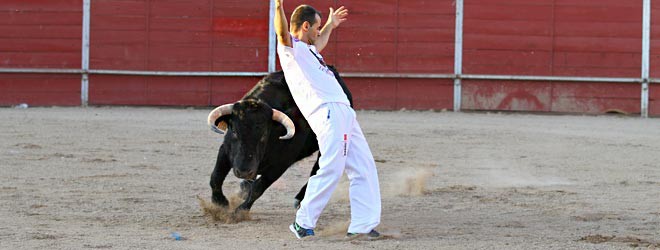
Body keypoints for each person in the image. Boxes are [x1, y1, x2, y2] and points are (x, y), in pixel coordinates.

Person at [274, 0, 382, 239]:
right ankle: (303, 223)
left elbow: (319, 43)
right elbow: (282, 33)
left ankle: (362, 225)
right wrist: (278, 6)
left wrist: (331, 25)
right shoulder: (290, 49)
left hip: (342, 111)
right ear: (304, 26)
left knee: (363, 167)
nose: (319, 32)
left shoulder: (308, 50)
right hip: (327, 111)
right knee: (332, 168)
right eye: (317, 27)